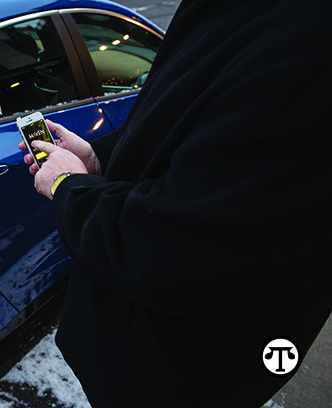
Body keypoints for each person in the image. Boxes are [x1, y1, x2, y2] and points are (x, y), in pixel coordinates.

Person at [19, 0, 332, 406]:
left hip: (177, 377)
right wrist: (101, 160)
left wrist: (68, 185)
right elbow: (186, 126)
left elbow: (180, 247)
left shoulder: (309, 47)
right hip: (145, 357)